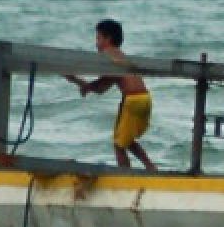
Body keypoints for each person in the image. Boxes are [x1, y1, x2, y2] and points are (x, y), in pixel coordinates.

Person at [66, 19, 157, 171]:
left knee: (119, 144)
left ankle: (125, 174)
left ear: (108, 39)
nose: (96, 43)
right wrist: (82, 84)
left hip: (132, 99)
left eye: (98, 38)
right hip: (144, 98)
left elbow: (99, 85)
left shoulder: (107, 56)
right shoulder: (120, 56)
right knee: (125, 140)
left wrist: (76, 79)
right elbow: (103, 86)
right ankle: (150, 166)